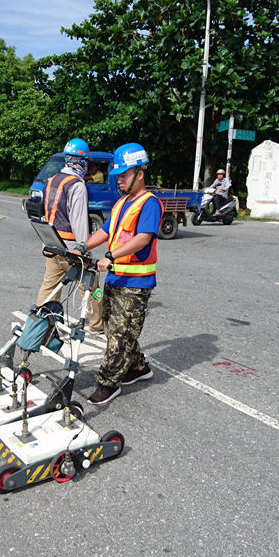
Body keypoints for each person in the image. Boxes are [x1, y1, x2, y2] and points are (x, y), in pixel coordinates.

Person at [78, 143, 163, 405]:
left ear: (140, 173)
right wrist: (82, 247)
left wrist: (111, 257)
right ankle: (138, 367)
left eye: (125, 175)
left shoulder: (149, 203)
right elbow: (105, 232)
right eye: (119, 175)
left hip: (136, 283)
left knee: (121, 335)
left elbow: (143, 238)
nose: (120, 180)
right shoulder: (121, 204)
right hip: (115, 279)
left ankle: (108, 383)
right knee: (113, 328)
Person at [36, 138, 103, 333]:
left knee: (49, 287)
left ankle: (42, 322)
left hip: (52, 243)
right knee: (91, 287)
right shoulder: (77, 185)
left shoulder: (52, 180)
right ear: (83, 161)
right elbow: (79, 221)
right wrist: (84, 248)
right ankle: (97, 324)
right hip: (72, 247)